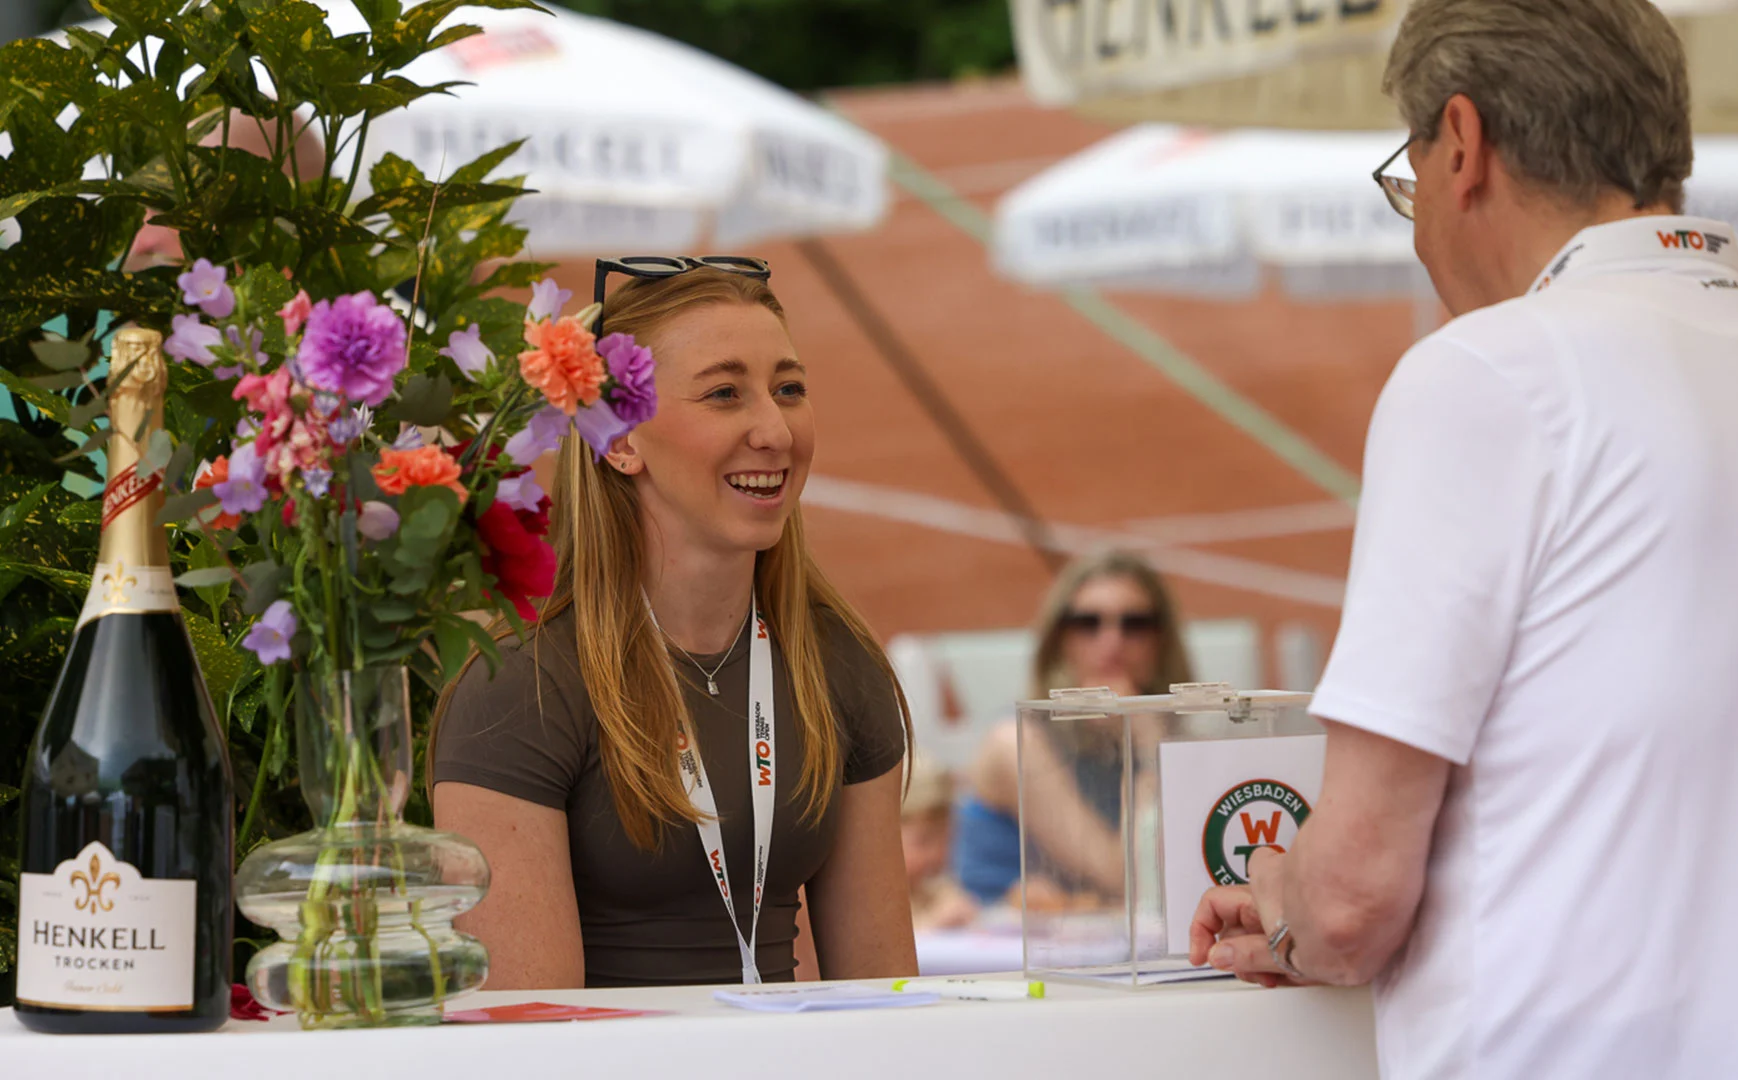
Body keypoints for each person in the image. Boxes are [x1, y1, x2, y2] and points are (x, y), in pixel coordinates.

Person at [1188, 2, 1738, 1078]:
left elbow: (1350, 900)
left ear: (1463, 144)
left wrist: (1284, 901)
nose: (1419, 219)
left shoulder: (1484, 374)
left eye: (1411, 178)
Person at [432, 261, 919, 988]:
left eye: (789, 389)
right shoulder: (521, 690)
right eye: (725, 394)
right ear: (621, 440)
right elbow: (529, 1043)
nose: (775, 429)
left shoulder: (835, 662)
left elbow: (887, 1001)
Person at [952, 549, 1194, 907]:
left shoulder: (1166, 734)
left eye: (1135, 624)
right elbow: (1125, 882)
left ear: (1162, 641)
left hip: (1094, 943)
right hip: (995, 949)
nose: (1111, 642)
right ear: (1059, 639)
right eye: (1087, 623)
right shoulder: (1015, 743)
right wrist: (1146, 742)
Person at [898, 751, 976, 930]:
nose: (936, 854)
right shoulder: (871, 900)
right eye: (923, 841)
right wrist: (932, 924)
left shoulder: (935, 891)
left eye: (946, 840)